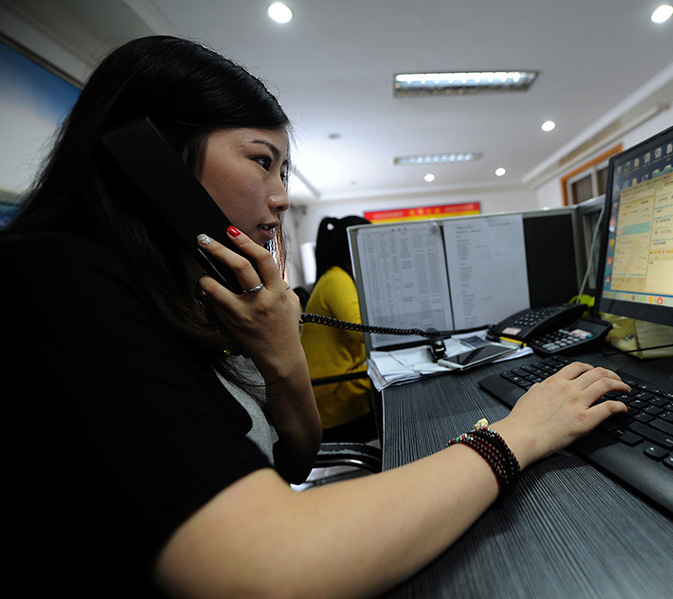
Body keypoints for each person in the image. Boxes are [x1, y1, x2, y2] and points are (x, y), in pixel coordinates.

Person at [2, 36, 630, 598]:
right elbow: (266, 567)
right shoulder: (58, 278)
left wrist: (283, 357)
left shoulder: (186, 301)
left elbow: (293, 461)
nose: (280, 197)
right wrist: (519, 435)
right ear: (153, 157)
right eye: (261, 161)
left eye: (283, 170)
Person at [301, 215, 376, 442]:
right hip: (334, 391)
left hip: (341, 382)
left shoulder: (341, 277)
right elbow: (361, 330)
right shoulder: (336, 278)